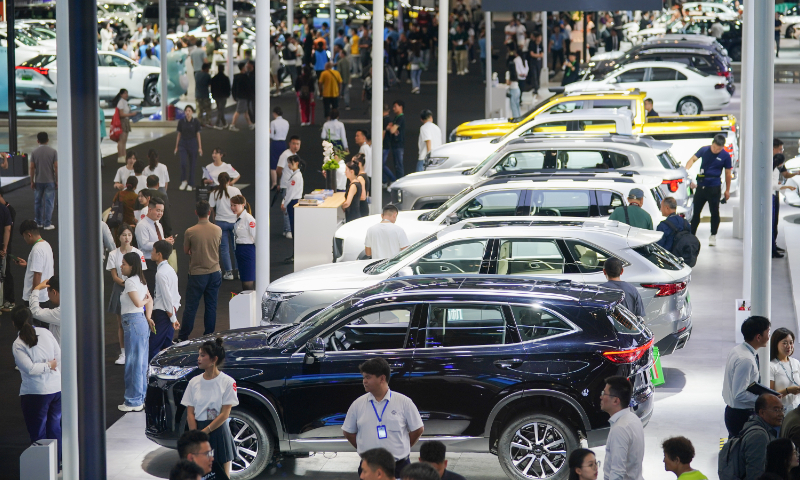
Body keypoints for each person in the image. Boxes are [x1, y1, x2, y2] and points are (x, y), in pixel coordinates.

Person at [343, 358, 424, 478]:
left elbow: (418, 429)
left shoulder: (404, 402)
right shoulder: (358, 404)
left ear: (382, 378)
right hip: (369, 468)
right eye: (363, 377)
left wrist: (403, 447)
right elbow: (348, 432)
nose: (364, 381)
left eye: (368, 377)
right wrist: (364, 449)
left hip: (399, 467)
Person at [181, 338, 239, 477]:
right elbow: (190, 413)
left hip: (218, 431)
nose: (198, 359)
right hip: (198, 430)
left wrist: (205, 432)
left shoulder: (228, 382)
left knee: (222, 475)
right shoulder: (193, 382)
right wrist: (195, 435)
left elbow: (225, 414)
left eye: (202, 355)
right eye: (199, 355)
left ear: (214, 359)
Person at [11, 306, 61, 466]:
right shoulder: (46, 333)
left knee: (38, 432)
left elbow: (31, 369)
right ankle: (58, 461)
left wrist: (46, 366)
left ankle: (43, 466)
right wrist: (51, 365)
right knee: (54, 427)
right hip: (57, 389)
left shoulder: (18, 344)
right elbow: (59, 356)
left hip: (35, 393)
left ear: (14, 324)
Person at [179, 201, 222, 341]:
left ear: (196, 212)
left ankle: (183, 336)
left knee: (191, 307)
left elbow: (186, 251)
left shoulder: (190, 231)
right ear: (209, 212)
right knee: (211, 306)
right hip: (215, 272)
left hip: (197, 274)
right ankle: (209, 335)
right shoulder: (217, 229)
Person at [723, 315, 772, 437]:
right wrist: (763, 400)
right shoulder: (746, 360)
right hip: (741, 415)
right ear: (758, 337)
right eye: (768, 332)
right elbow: (739, 393)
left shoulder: (738, 350)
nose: (769, 336)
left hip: (734, 411)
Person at [118, 251, 154, 412]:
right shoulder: (141, 281)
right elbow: (148, 300)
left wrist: (144, 304)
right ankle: (140, 397)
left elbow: (140, 302)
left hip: (133, 323)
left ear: (132, 266)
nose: (121, 266)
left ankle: (133, 401)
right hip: (139, 322)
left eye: (124, 264)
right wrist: (148, 316)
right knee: (141, 363)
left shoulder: (131, 282)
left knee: (133, 363)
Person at [107, 224, 147, 365]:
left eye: (129, 235)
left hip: (135, 286)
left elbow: (142, 273)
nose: (127, 238)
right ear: (119, 237)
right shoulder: (113, 254)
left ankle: (135, 351)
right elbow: (114, 276)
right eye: (124, 235)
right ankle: (123, 353)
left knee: (137, 317)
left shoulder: (139, 253)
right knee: (121, 323)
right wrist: (128, 284)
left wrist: (134, 286)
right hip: (120, 288)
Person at [686, 134, 732, 246]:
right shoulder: (704, 150)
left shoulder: (725, 156)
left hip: (714, 187)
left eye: (719, 149)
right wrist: (686, 172)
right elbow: (692, 159)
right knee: (696, 212)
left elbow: (727, 173)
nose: (716, 150)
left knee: (714, 212)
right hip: (701, 186)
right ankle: (692, 235)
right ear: (712, 143)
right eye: (715, 147)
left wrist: (727, 190)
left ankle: (713, 235)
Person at [600, 376, 644, 480]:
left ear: (616, 400)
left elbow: (617, 473)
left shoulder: (620, 428)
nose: (601, 397)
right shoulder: (633, 419)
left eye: (604, 393)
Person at [731, 394, 784, 479]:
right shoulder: (759, 436)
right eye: (776, 410)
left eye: (782, 409)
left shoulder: (756, 426)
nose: (781, 414)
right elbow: (755, 475)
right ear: (762, 412)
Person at [135, 197, 173, 297]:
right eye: (158, 210)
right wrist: (163, 241)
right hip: (148, 263)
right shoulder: (142, 225)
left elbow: (158, 241)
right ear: (150, 209)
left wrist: (166, 242)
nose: (160, 213)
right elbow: (144, 245)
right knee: (150, 292)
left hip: (159, 262)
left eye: (162, 211)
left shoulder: (158, 224)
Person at [149, 240, 180, 361]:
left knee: (153, 346)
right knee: (167, 346)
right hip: (171, 311)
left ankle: (152, 373)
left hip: (164, 313)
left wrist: (172, 318)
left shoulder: (160, 273)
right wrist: (174, 316)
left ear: (159, 254)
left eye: (153, 250)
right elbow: (175, 295)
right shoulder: (170, 270)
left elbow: (167, 297)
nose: (151, 253)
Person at [208, 172, 241, 281]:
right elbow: (241, 205)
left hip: (220, 222)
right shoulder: (235, 190)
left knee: (224, 248)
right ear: (229, 180)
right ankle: (240, 271)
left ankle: (229, 272)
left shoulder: (214, 193)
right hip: (234, 221)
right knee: (236, 246)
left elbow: (211, 209)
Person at [15, 220, 54, 309]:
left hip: (37, 298)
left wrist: (33, 298)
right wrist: (27, 265)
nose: (24, 239)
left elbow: (38, 274)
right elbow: (41, 267)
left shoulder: (37, 250)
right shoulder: (46, 244)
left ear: (29, 235)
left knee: (35, 322)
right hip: (44, 295)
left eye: (24, 237)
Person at [29, 132, 57, 230]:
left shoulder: (34, 152)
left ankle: (38, 222)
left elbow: (32, 167)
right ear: (48, 140)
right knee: (49, 202)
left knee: (38, 202)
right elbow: (56, 167)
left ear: (37, 141)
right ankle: (47, 224)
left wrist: (32, 180)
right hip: (50, 180)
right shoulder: (53, 152)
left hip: (38, 180)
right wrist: (57, 180)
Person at [770, 328, 800, 413]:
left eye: (791, 342)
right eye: (785, 343)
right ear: (776, 344)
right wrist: (788, 391)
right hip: (780, 413)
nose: (789, 346)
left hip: (796, 411)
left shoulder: (796, 362)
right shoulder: (771, 365)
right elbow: (769, 396)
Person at [277, 136, 302, 237]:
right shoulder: (286, 155)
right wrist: (281, 182)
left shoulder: (294, 155)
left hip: (288, 183)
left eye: (298, 144)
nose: (295, 146)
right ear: (289, 144)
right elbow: (279, 169)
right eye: (294, 143)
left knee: (287, 206)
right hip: (286, 184)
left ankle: (286, 229)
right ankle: (288, 230)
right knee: (287, 207)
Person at [175, 105, 204, 192]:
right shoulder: (181, 122)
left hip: (193, 143)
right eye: (186, 111)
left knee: (192, 164)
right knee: (183, 163)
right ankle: (183, 180)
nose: (187, 112)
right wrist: (176, 146)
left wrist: (200, 147)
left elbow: (198, 134)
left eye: (189, 111)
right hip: (183, 143)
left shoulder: (195, 122)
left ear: (192, 112)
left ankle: (191, 183)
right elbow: (179, 134)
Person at [231, 195, 256, 291]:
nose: (232, 208)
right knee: (244, 279)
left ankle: (251, 303)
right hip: (240, 250)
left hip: (247, 250)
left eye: (235, 205)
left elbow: (256, 236)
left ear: (243, 205)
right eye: (231, 205)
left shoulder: (249, 219)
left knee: (248, 280)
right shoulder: (238, 219)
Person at [29, 277, 61, 345]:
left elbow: (35, 312)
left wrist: (36, 289)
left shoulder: (60, 312)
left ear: (54, 292)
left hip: (61, 353)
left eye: (48, 292)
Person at [0, 190, 17, 312]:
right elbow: (8, 230)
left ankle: (8, 301)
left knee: (4, 275)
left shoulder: (8, 210)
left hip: (4, 249)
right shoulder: (6, 209)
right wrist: (4, 248)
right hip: (3, 249)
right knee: (3, 275)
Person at [282, 155, 305, 241]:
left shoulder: (295, 177)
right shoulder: (296, 175)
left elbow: (290, 193)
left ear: (296, 163)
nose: (288, 165)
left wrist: (284, 204)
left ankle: (295, 250)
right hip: (294, 201)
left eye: (290, 163)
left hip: (293, 202)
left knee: (294, 226)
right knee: (294, 226)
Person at [385, 101, 406, 182]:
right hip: (395, 145)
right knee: (397, 165)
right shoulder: (397, 118)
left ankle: (400, 183)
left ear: (401, 107)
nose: (393, 109)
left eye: (395, 106)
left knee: (398, 165)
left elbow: (392, 130)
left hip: (398, 145)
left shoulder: (400, 118)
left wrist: (391, 127)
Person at [113, 89, 136, 164]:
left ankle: (124, 155)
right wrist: (131, 115)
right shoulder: (121, 102)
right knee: (121, 140)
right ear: (121, 94)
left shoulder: (125, 102)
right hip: (122, 121)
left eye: (127, 93)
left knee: (125, 139)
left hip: (126, 121)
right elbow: (121, 114)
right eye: (125, 93)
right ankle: (120, 156)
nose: (126, 94)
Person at [230, 62, 254, 131]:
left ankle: (250, 124)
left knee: (245, 111)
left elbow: (233, 87)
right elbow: (248, 88)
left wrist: (234, 96)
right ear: (243, 68)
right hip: (243, 97)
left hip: (239, 96)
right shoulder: (245, 77)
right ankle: (232, 125)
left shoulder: (236, 76)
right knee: (238, 111)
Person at [270, 107, 290, 188]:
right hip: (283, 143)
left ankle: (274, 183)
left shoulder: (273, 122)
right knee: (283, 162)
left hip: (275, 143)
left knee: (273, 163)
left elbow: (271, 135)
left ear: (275, 113)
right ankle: (282, 182)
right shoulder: (286, 122)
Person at [210, 64, 231, 129]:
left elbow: (212, 88)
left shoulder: (214, 78)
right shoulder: (226, 78)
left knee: (220, 109)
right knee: (221, 109)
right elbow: (228, 88)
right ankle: (217, 124)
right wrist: (228, 95)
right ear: (223, 69)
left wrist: (212, 95)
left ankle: (224, 122)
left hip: (216, 95)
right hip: (223, 96)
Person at [505, 44, 522, 119]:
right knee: (517, 105)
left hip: (512, 90)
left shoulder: (508, 73)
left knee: (513, 106)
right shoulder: (515, 73)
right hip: (518, 90)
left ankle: (516, 119)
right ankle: (519, 118)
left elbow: (508, 82)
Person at [195, 63, 213, 127]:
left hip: (197, 95)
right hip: (205, 95)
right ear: (206, 69)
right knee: (208, 109)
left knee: (199, 110)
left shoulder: (196, 74)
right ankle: (208, 121)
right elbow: (209, 84)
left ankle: (200, 122)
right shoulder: (207, 75)